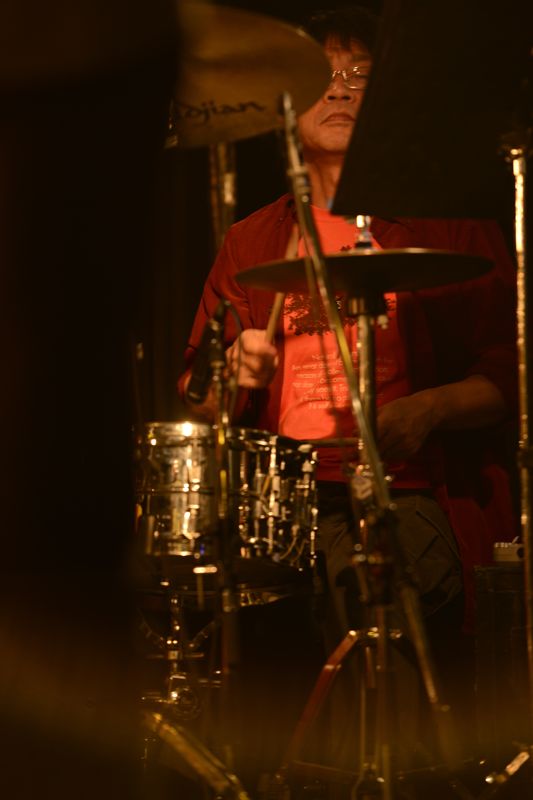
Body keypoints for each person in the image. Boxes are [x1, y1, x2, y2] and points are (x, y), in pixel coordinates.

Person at [178, 4, 518, 786]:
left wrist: (428, 409)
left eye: (359, 74)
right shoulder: (250, 241)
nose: (338, 88)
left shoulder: (449, 226)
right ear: (282, 107)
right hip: (284, 502)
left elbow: (513, 376)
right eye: (320, 75)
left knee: (380, 583)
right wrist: (232, 375)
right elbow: (198, 398)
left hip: (407, 491)